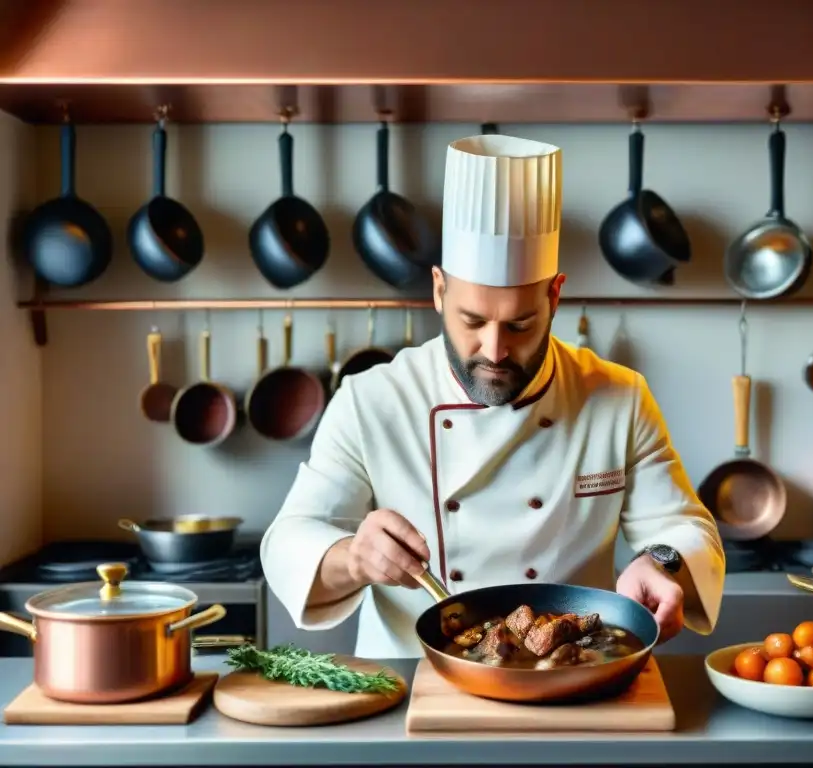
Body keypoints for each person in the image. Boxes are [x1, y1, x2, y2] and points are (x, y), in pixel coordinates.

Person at [261, 132, 726, 659]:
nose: (496, 349)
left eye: (521, 324)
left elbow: (684, 528)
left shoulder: (619, 398)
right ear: (438, 290)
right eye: (472, 321)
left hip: (573, 679)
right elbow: (288, 540)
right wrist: (353, 558)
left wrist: (660, 561)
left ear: (555, 295)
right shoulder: (371, 401)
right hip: (413, 682)